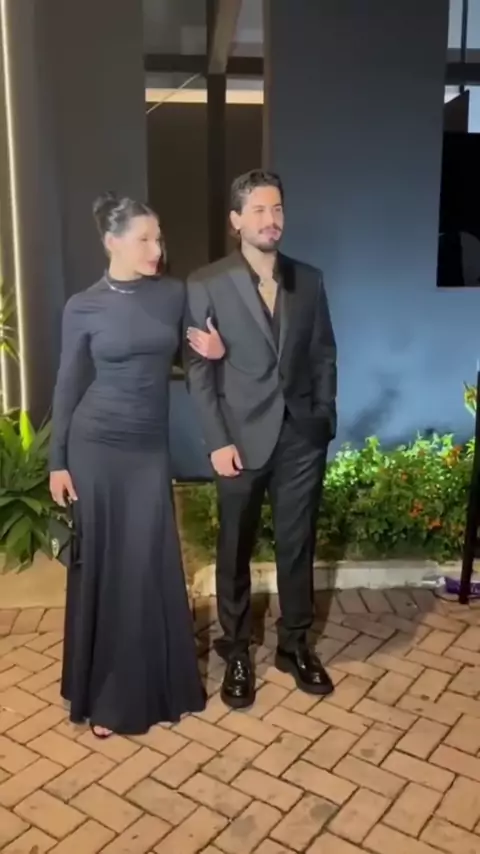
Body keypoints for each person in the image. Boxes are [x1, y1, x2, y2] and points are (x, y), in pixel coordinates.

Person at [49, 191, 224, 737]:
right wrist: (57, 461)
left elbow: (197, 355)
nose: (157, 248)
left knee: (148, 564)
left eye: (159, 237)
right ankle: (106, 697)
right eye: (145, 239)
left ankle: (161, 686)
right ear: (112, 242)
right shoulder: (83, 306)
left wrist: (214, 352)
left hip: (148, 449)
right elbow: (68, 384)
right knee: (108, 568)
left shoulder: (173, 294)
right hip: (96, 447)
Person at [185, 169, 337, 710]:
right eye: (258, 211)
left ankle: (295, 646)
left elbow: (323, 354)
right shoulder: (206, 283)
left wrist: (323, 419)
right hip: (239, 441)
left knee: (298, 545)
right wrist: (217, 441)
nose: (271, 220)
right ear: (236, 220)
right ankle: (237, 651)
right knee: (235, 547)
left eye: (277, 209)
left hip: (301, 438)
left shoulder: (309, 280)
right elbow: (199, 372)